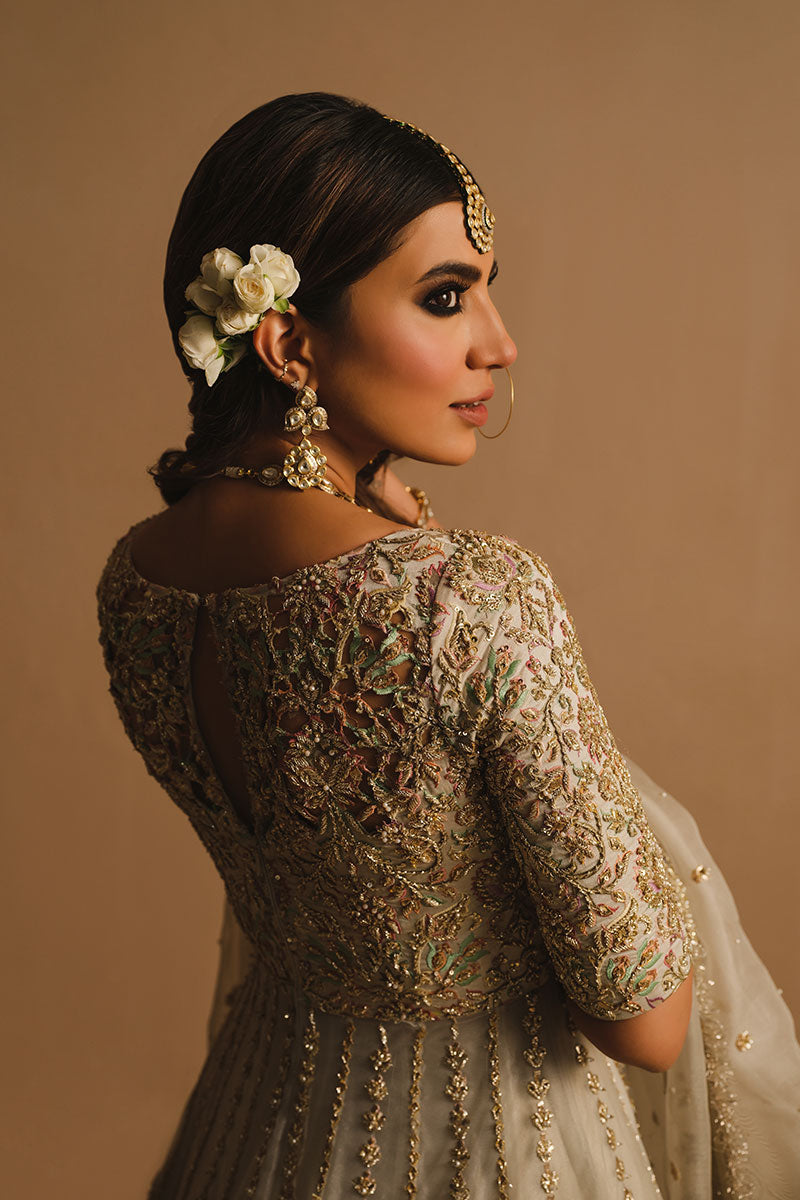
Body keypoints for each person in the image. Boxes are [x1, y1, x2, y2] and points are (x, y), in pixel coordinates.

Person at [96, 92, 800, 1199]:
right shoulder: (463, 599)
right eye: (443, 298)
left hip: (252, 1135)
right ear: (286, 339)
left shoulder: (138, 579)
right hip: (500, 1150)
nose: (498, 344)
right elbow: (646, 1021)